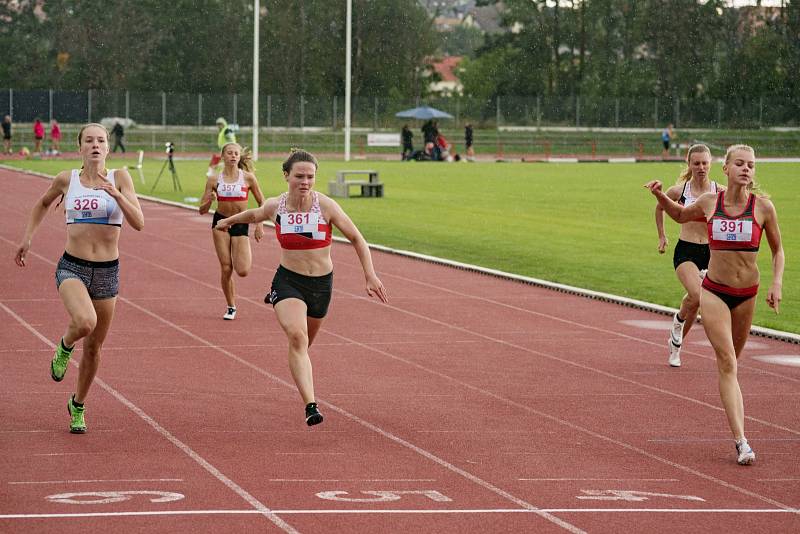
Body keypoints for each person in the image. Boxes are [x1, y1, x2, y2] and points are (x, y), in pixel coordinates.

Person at [214, 149, 388, 426]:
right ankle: (311, 405)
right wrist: (229, 220)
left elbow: (357, 238)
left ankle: (303, 378)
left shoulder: (326, 206)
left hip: (320, 285)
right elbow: (255, 214)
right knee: (297, 337)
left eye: (310, 177)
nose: (305, 182)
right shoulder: (277, 206)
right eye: (299, 176)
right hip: (289, 281)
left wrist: (370, 275)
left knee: (305, 344)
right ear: (286, 176)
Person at [645, 144, 784, 465]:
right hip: (715, 291)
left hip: (747, 293)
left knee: (734, 361)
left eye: (751, 164)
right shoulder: (710, 202)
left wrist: (777, 282)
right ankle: (741, 441)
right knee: (727, 363)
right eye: (740, 163)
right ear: (726, 167)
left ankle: (738, 430)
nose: (746, 169)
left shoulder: (763, 208)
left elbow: (778, 250)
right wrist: (659, 196)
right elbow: (680, 214)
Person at [14, 123, 144, 434]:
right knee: (85, 322)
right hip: (72, 266)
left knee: (95, 348)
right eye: (89, 140)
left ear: (108, 148)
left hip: (107, 272)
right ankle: (64, 344)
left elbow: (139, 222)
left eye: (101, 140)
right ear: (80, 147)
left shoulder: (120, 177)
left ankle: (78, 404)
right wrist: (28, 238)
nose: (96, 145)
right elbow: (42, 204)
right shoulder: (66, 180)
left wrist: (117, 195)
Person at [654, 144, 723, 367]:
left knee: (694, 303)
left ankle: (677, 341)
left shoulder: (719, 191)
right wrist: (662, 236)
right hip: (686, 250)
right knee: (696, 296)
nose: (701, 167)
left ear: (711, 163)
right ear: (689, 164)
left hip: (711, 254)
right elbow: (660, 207)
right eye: (696, 163)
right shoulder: (679, 191)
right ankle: (678, 322)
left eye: (705, 162)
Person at [198, 142, 265, 320]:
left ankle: (241, 253)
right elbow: (202, 210)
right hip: (220, 223)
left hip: (241, 222)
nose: (233, 155)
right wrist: (210, 200)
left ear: (239, 156)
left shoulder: (248, 178)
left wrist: (259, 224)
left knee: (242, 270)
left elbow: (262, 202)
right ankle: (231, 306)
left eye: (236, 153)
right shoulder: (214, 179)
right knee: (226, 267)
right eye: (230, 153)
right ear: (223, 156)